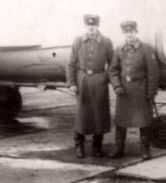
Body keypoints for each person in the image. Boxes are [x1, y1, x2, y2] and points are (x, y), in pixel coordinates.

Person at [109, 20, 159, 160]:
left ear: (136, 32)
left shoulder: (146, 49)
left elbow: (153, 73)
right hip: (124, 91)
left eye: (131, 32)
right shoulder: (119, 49)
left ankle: (145, 149)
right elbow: (113, 70)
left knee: (144, 121)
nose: (129, 35)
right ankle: (118, 148)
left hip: (140, 90)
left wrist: (151, 92)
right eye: (126, 32)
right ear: (123, 34)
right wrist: (117, 85)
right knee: (121, 121)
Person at [66, 14, 114, 158]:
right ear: (85, 26)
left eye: (93, 26)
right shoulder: (78, 41)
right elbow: (71, 63)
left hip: (99, 80)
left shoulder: (106, 42)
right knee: (82, 114)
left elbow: (113, 63)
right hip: (83, 80)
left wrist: (105, 77)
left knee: (99, 115)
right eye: (88, 26)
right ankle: (79, 145)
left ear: (97, 26)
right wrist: (72, 83)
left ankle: (97, 146)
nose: (91, 28)